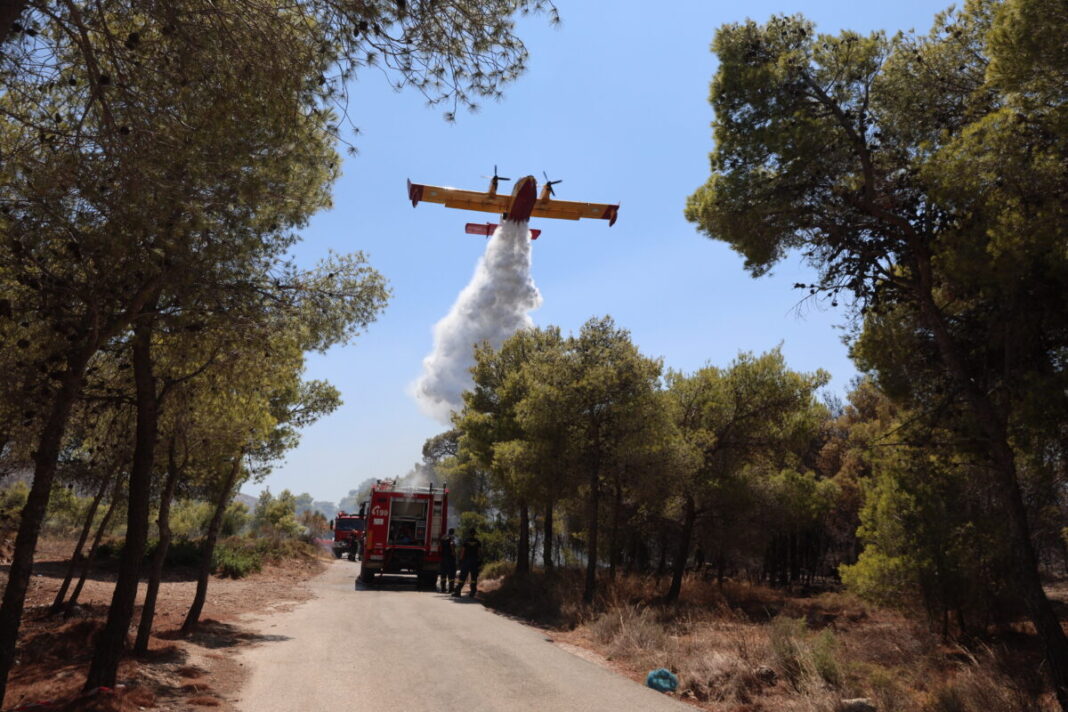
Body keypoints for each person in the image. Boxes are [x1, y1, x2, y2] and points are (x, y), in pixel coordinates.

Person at [452, 528, 482, 598]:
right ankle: (473, 592)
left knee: (462, 577)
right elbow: (479, 552)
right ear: (474, 534)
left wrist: (460, 560)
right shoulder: (478, 542)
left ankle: (458, 592)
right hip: (474, 561)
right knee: (474, 578)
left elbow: (463, 551)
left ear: (469, 533)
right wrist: (479, 560)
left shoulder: (466, 541)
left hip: (466, 561)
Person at [439, 528, 456, 593]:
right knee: (451, 573)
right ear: (453, 532)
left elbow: (440, 545)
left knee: (443, 573)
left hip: (443, 558)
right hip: (450, 558)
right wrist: (453, 553)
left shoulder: (443, 537)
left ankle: (443, 588)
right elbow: (451, 544)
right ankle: (451, 589)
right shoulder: (451, 538)